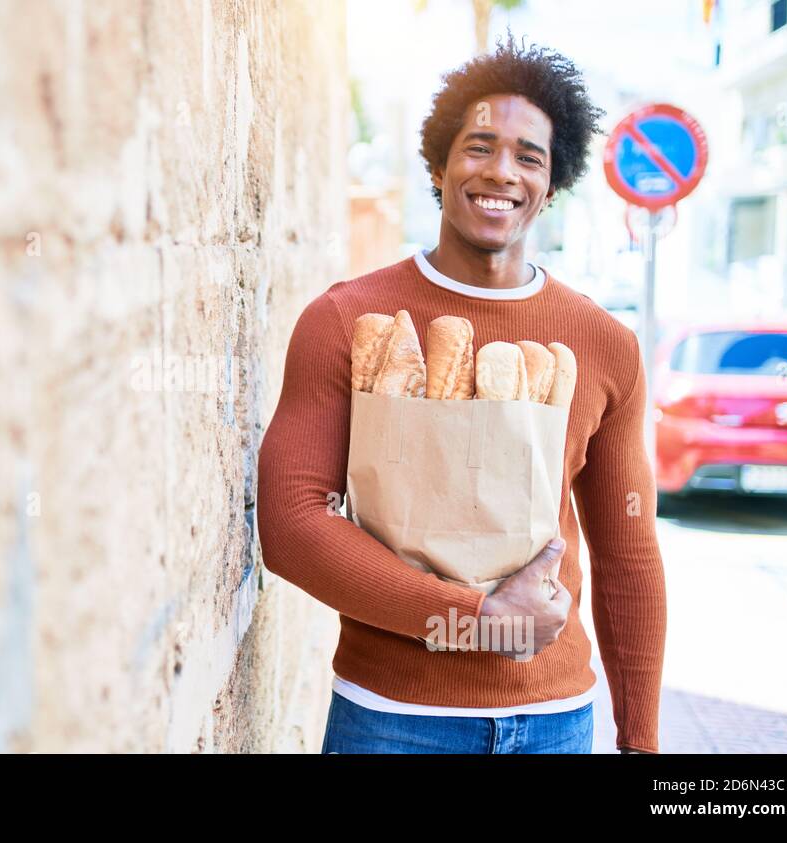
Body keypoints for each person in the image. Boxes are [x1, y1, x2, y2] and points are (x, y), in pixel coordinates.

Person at [256, 33, 667, 754]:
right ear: (439, 165)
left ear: (553, 181)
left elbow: (628, 553)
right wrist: (475, 617)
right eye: (479, 146)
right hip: (388, 716)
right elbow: (291, 523)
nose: (501, 171)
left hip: (554, 719)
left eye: (528, 156)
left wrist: (642, 739)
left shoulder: (605, 343)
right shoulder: (346, 319)